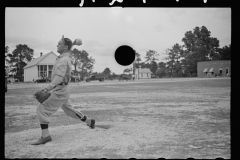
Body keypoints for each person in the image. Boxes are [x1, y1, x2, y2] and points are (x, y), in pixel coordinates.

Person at [31, 36, 95, 145]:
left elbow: (59, 78)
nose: (57, 45)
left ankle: (45, 136)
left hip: (59, 90)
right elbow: (67, 49)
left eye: (59, 43)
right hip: (63, 89)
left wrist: (46, 88)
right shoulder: (63, 57)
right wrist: (73, 43)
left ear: (65, 46)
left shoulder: (63, 59)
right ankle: (89, 121)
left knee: (42, 109)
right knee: (69, 111)